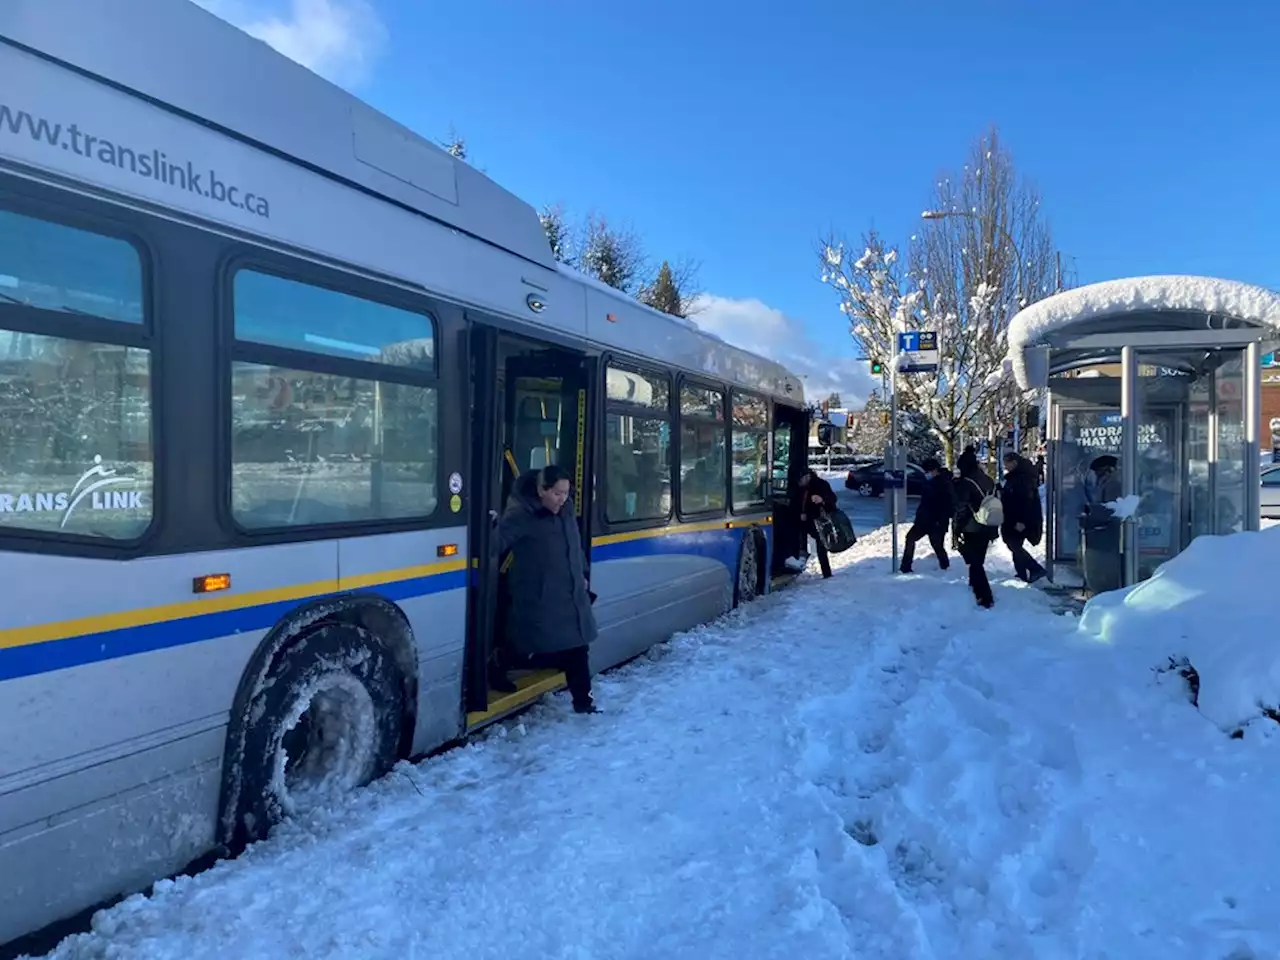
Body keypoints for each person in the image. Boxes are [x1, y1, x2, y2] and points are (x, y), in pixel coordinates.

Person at [498, 465, 600, 714]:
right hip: (540, 596)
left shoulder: (564, 511)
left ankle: (583, 703)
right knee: (539, 647)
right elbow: (495, 544)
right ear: (541, 490)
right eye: (557, 493)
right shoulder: (520, 516)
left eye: (565, 493)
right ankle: (502, 662)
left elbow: (573, 546)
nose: (562, 499)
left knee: (578, 647)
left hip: (570, 592)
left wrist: (582, 574)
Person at [953, 448, 998, 608]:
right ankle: (974, 585)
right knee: (978, 559)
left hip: (972, 526)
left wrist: (957, 528)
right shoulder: (988, 479)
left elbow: (962, 507)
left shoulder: (966, 483)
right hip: (989, 524)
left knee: (975, 561)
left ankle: (984, 595)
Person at [1000, 450, 1046, 584]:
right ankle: (1022, 573)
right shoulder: (1019, 476)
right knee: (1014, 544)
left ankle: (1034, 568)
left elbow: (1024, 501)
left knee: (1014, 544)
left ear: (1014, 463)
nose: (1005, 467)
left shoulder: (1022, 478)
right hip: (1014, 517)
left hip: (1018, 518)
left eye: (1007, 463)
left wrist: (1020, 521)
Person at [900, 457, 953, 573]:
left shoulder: (944, 483)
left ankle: (945, 568)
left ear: (934, 470)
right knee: (910, 538)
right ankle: (905, 566)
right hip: (923, 520)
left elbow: (947, 505)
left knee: (937, 546)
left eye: (927, 472)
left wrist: (941, 521)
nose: (926, 474)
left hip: (937, 522)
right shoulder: (930, 482)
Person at [783, 469, 836, 579]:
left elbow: (832, 499)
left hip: (818, 521)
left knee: (821, 546)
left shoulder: (821, 485)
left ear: (807, 477)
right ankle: (797, 563)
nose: (799, 483)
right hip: (802, 520)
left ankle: (826, 572)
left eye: (801, 480)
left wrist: (822, 499)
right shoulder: (799, 488)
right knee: (798, 541)